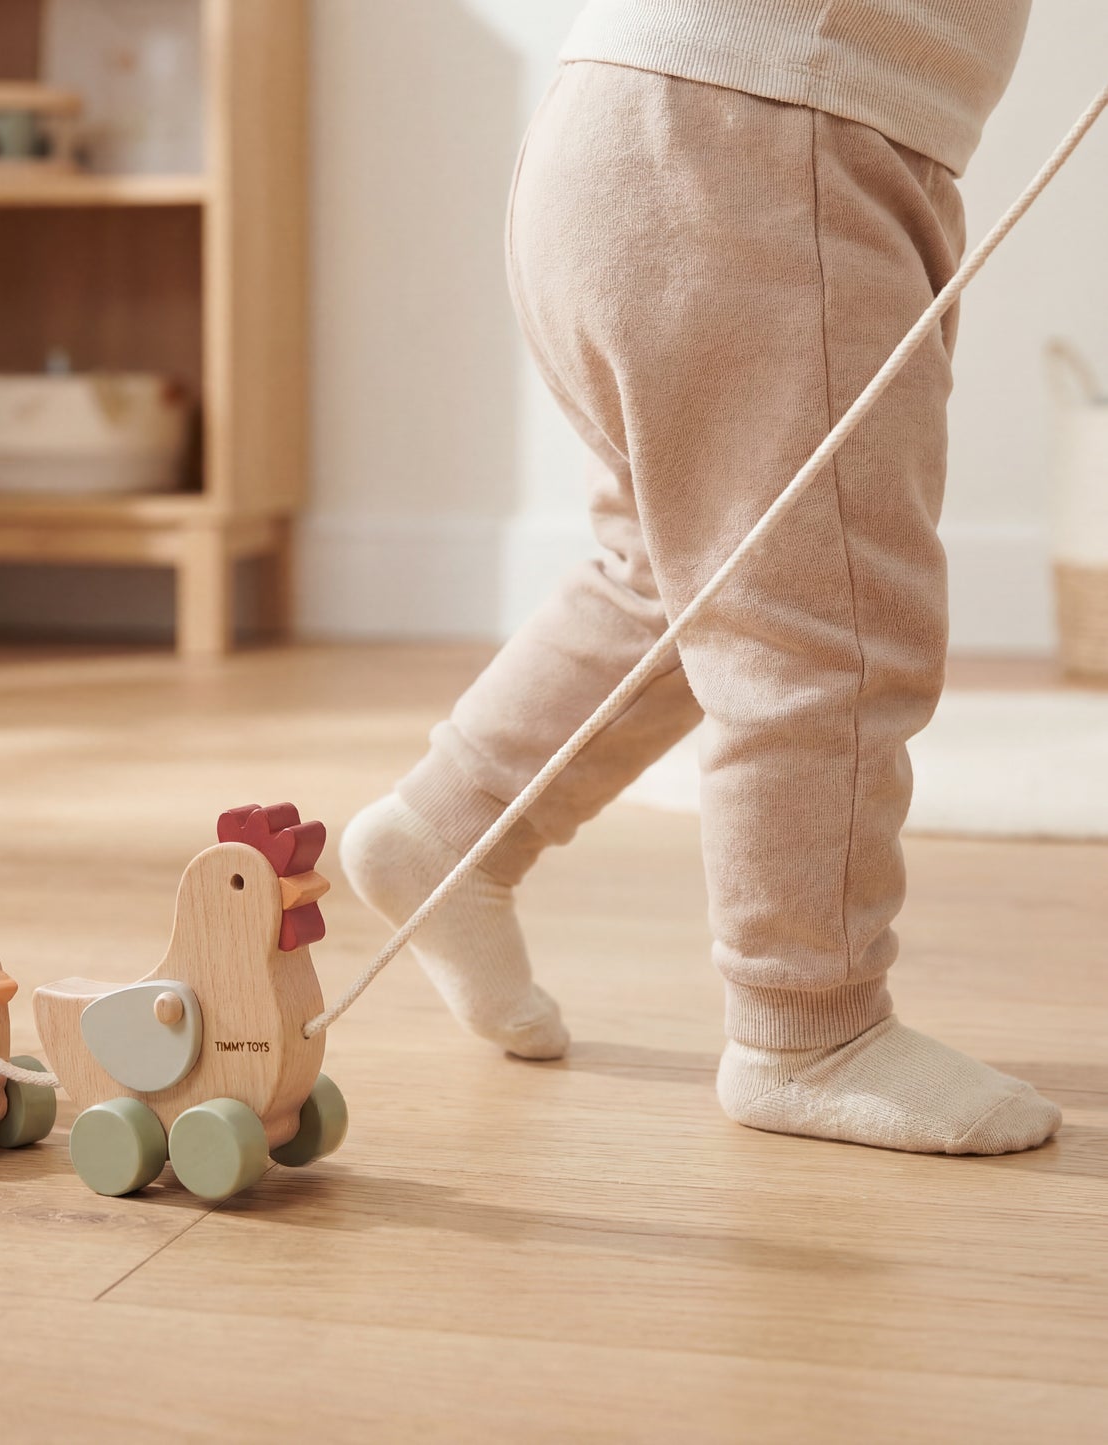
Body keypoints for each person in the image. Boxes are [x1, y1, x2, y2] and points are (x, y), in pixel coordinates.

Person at [341, 0, 1061, 1155]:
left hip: (641, 125)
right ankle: (807, 1026)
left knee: (686, 575)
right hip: (765, 138)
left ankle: (450, 828)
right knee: (823, 618)